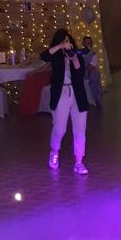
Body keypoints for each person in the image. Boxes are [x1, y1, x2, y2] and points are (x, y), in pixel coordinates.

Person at [40, 29, 89, 175]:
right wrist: (60, 47)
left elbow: (80, 72)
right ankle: (54, 152)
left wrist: (73, 58)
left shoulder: (76, 54)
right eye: (63, 41)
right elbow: (44, 56)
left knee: (80, 130)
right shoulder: (55, 55)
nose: (67, 43)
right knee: (60, 128)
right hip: (61, 92)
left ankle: (79, 162)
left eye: (68, 41)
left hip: (77, 93)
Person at [80, 37, 103, 106]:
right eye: (86, 43)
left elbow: (90, 68)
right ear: (83, 43)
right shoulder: (79, 53)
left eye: (89, 43)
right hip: (79, 73)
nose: (87, 44)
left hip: (88, 74)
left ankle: (95, 98)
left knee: (94, 75)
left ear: (92, 44)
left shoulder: (93, 55)